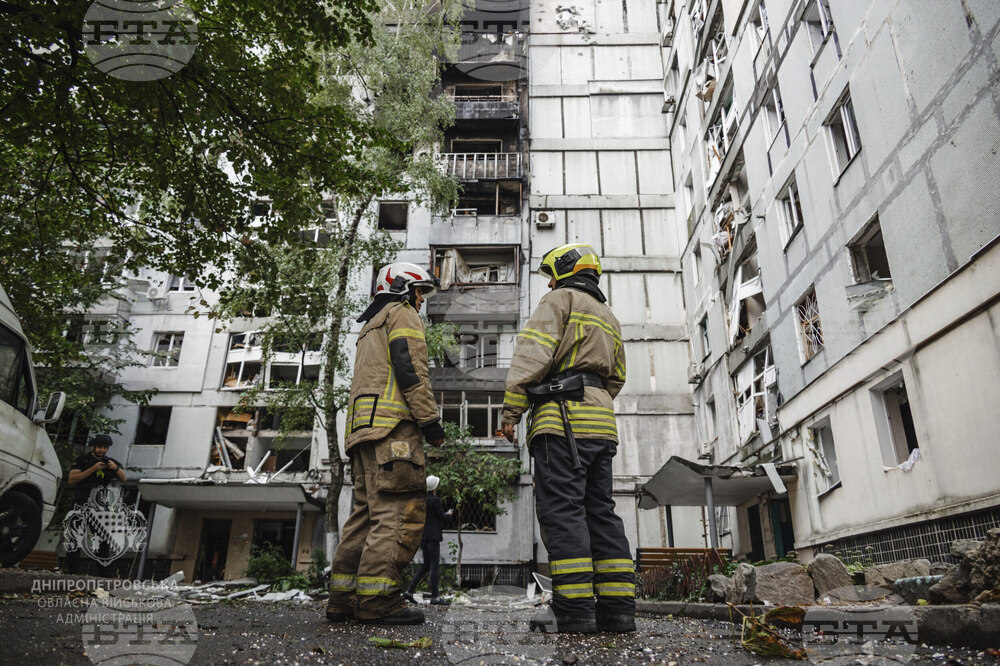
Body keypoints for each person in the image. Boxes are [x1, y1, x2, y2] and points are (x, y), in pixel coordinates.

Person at [501, 243, 635, 634]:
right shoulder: (608, 315)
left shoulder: (559, 301)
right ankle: (617, 609)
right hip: (601, 425)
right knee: (600, 511)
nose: (549, 283)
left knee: (563, 511)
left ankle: (573, 609)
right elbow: (616, 377)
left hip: (562, 423)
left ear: (563, 270)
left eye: (551, 275)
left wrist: (511, 413)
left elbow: (531, 358)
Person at [326, 262, 446, 626]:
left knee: (364, 516)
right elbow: (410, 367)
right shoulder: (402, 313)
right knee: (398, 514)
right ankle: (379, 601)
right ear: (403, 288)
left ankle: (343, 599)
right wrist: (430, 420)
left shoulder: (368, 327)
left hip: (362, 434)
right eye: (420, 291)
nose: (422, 299)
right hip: (394, 432)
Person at [66, 434, 127, 576]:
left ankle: (104, 574)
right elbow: (72, 479)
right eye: (99, 447)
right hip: (81, 501)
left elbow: (124, 478)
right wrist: (92, 469)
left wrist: (116, 468)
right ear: (93, 447)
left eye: (105, 448)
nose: (102, 450)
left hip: (100, 504)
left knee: (103, 538)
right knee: (76, 536)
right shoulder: (83, 460)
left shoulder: (109, 462)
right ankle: (72, 572)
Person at [403, 475, 453, 605]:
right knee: (434, 566)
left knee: (425, 566)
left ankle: (409, 591)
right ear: (435, 487)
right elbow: (442, 517)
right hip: (433, 537)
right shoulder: (435, 501)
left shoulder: (422, 500)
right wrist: (449, 515)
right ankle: (435, 597)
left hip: (424, 537)